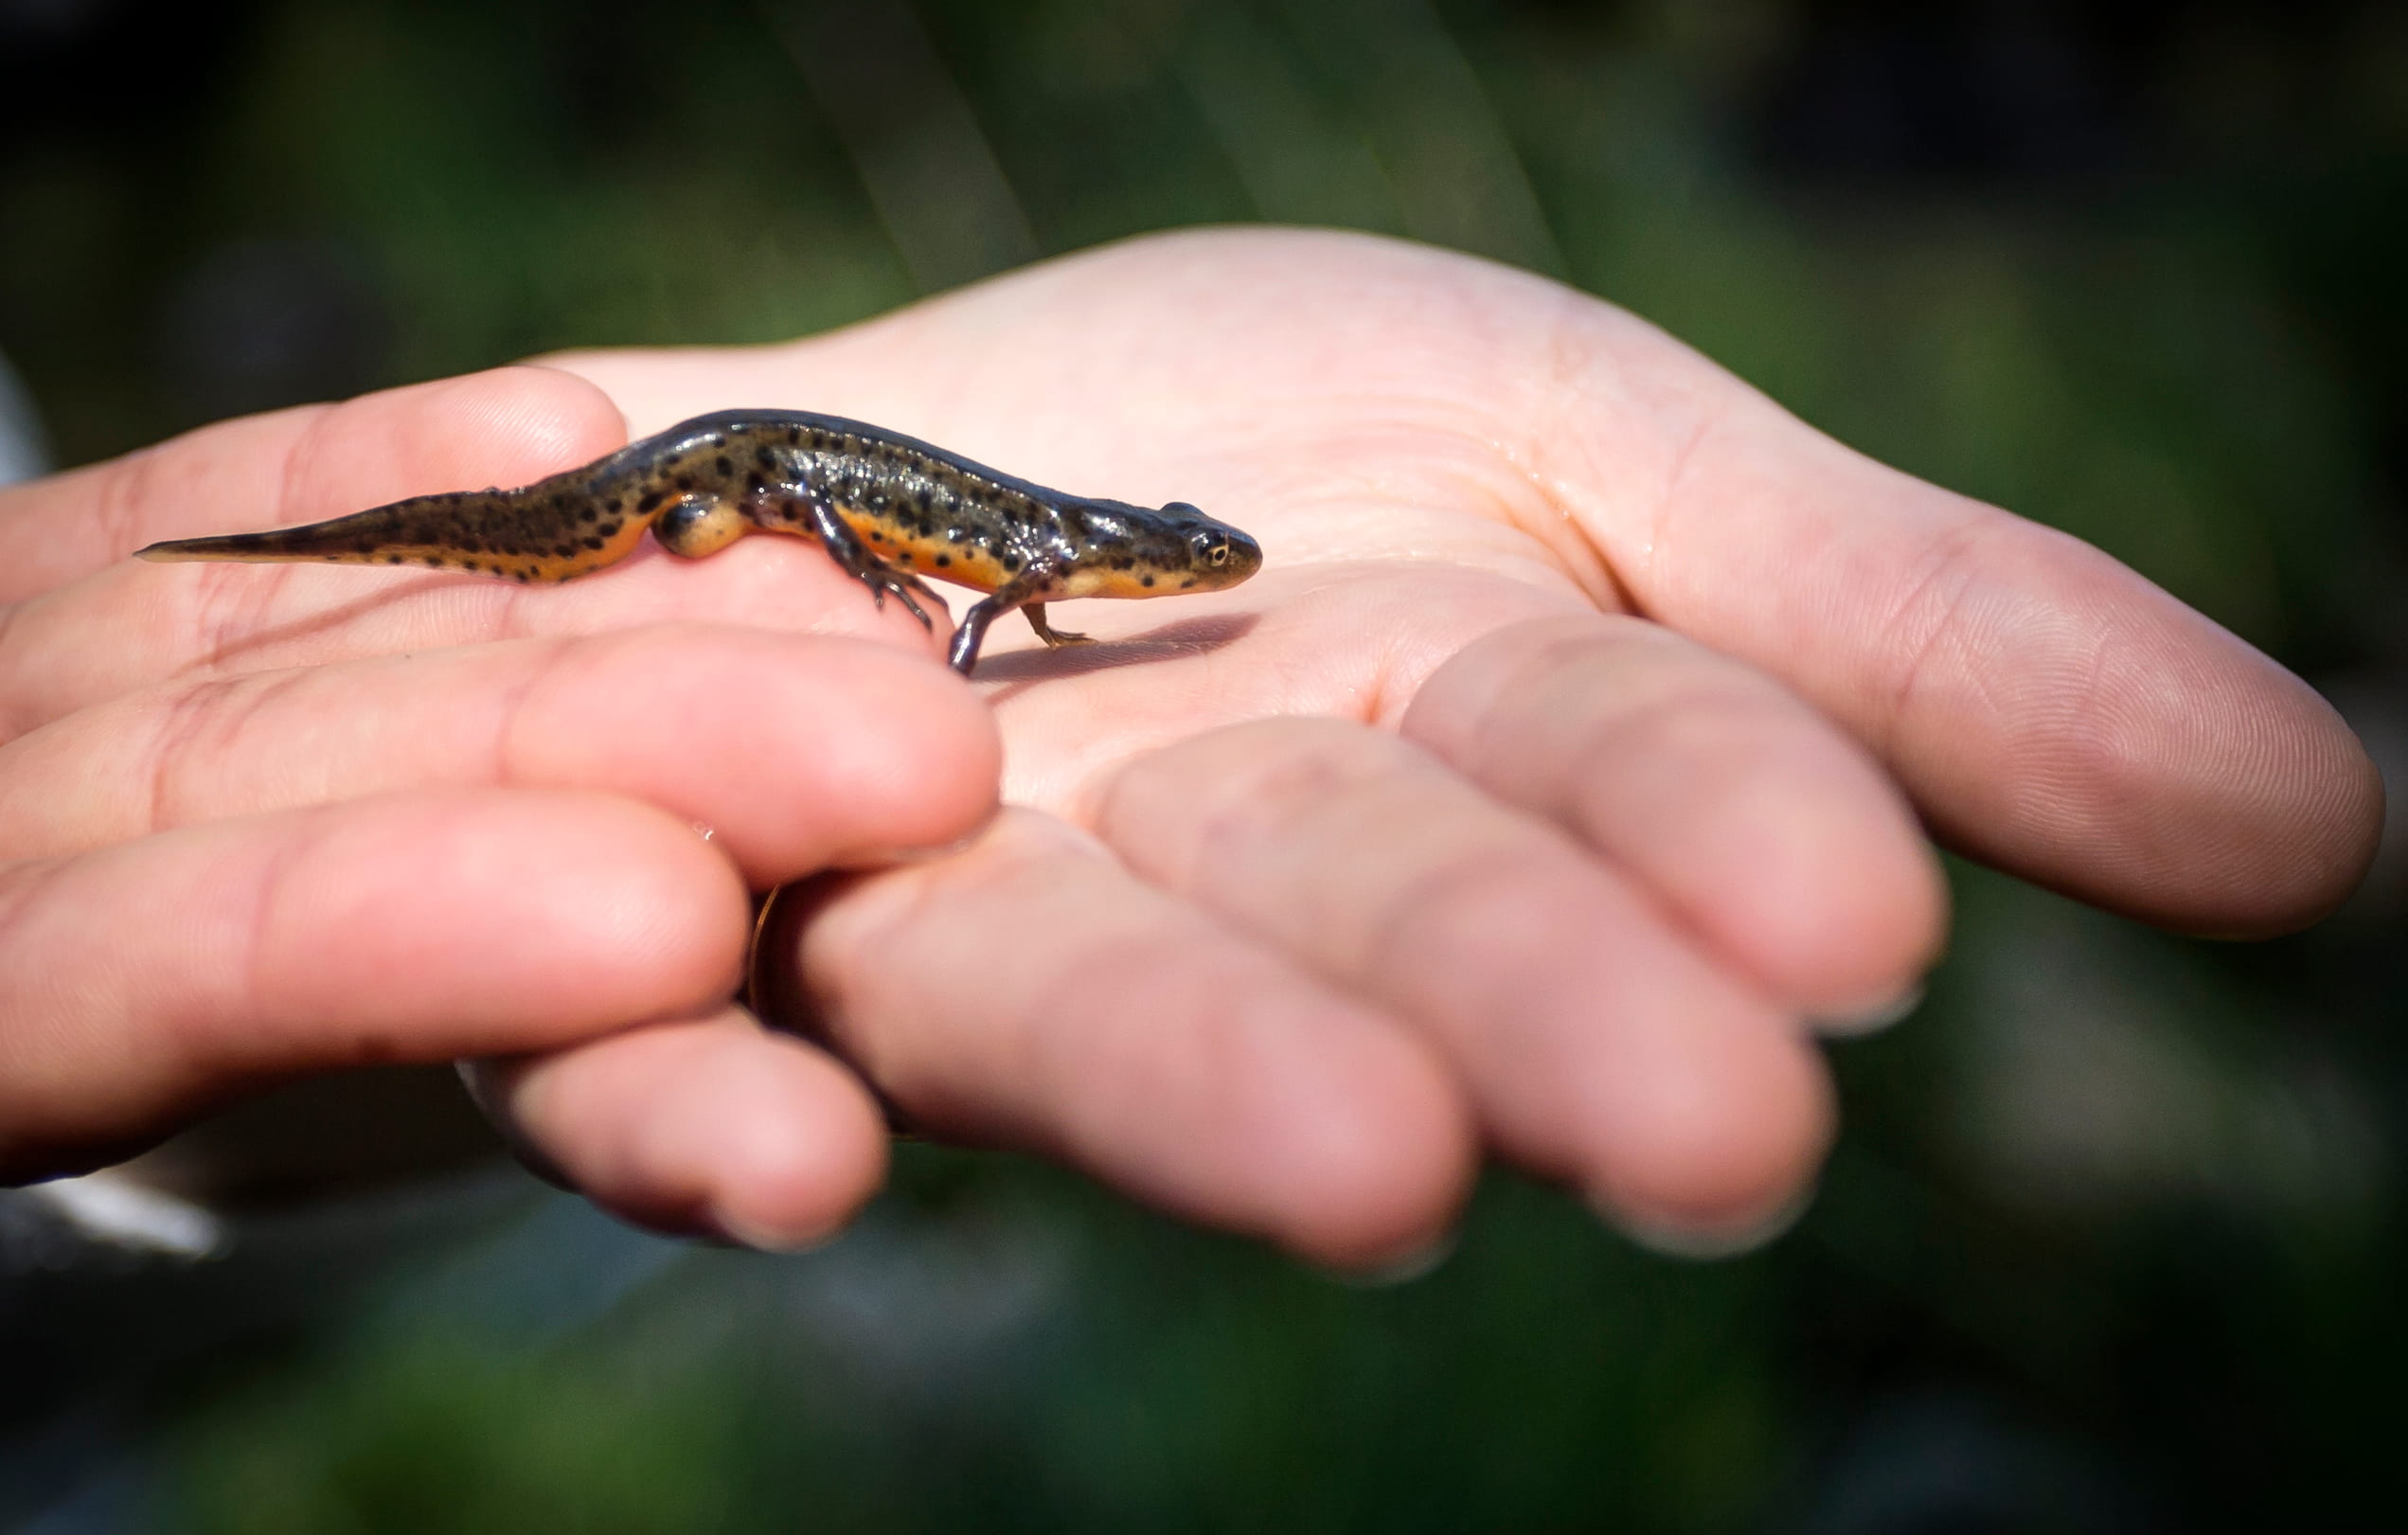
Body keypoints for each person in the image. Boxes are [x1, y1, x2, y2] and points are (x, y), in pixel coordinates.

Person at [0, 229, 2378, 1270]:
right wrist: (881, 585)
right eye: (1169, 569)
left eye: (1157, 572)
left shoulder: (1067, 561)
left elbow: (1015, 588)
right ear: (1124, 567)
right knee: (536, 525)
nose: (1171, 583)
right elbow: (884, 536)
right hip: (739, 462)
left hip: (787, 479)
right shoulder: (1018, 555)